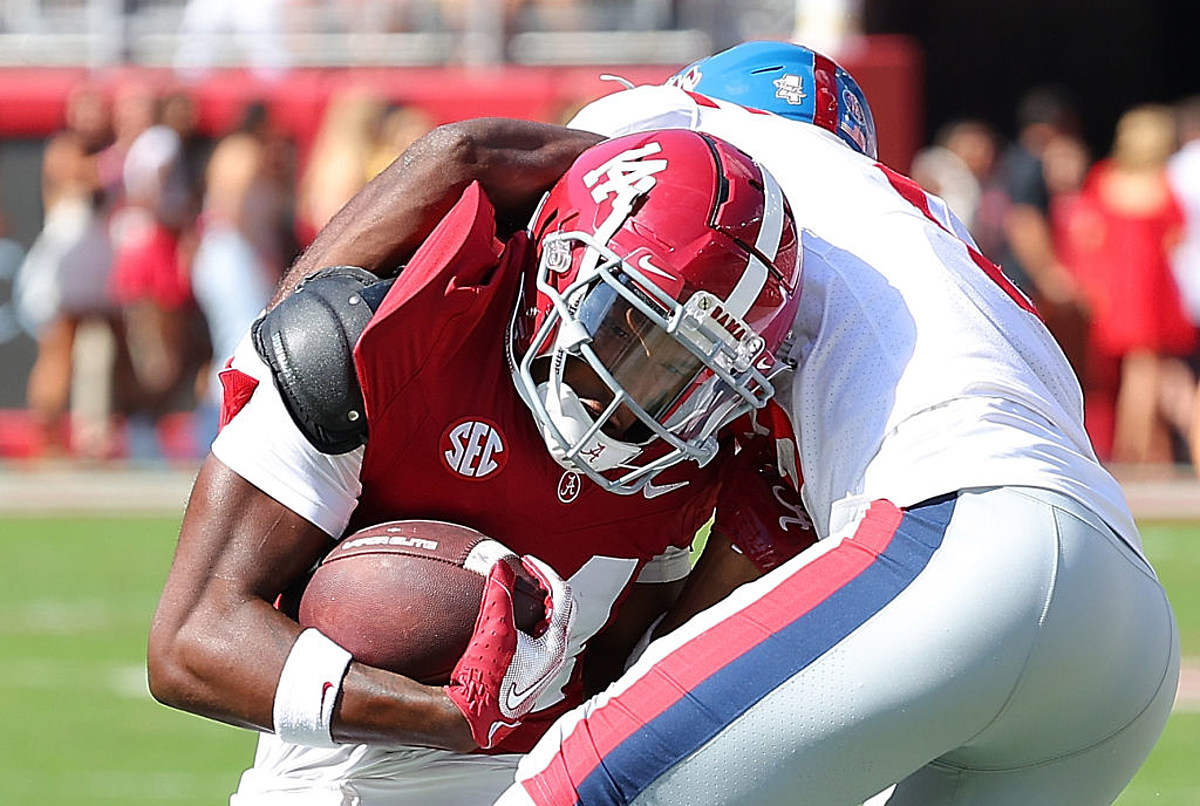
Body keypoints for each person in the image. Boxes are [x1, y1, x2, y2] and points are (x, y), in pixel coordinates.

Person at [476, 41, 1179, 805]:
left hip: (961, 541)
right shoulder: (928, 239)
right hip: (1126, 631)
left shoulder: (715, 138)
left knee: (574, 789)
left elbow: (541, 158)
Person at [147, 126, 809, 804]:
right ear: (561, 264)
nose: (633, 390)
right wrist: (444, 719)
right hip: (342, 776)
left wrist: (732, 576)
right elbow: (190, 644)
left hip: (554, 776)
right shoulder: (385, 342)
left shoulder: (691, 449)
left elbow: (618, 673)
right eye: (622, 324)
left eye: (681, 365)